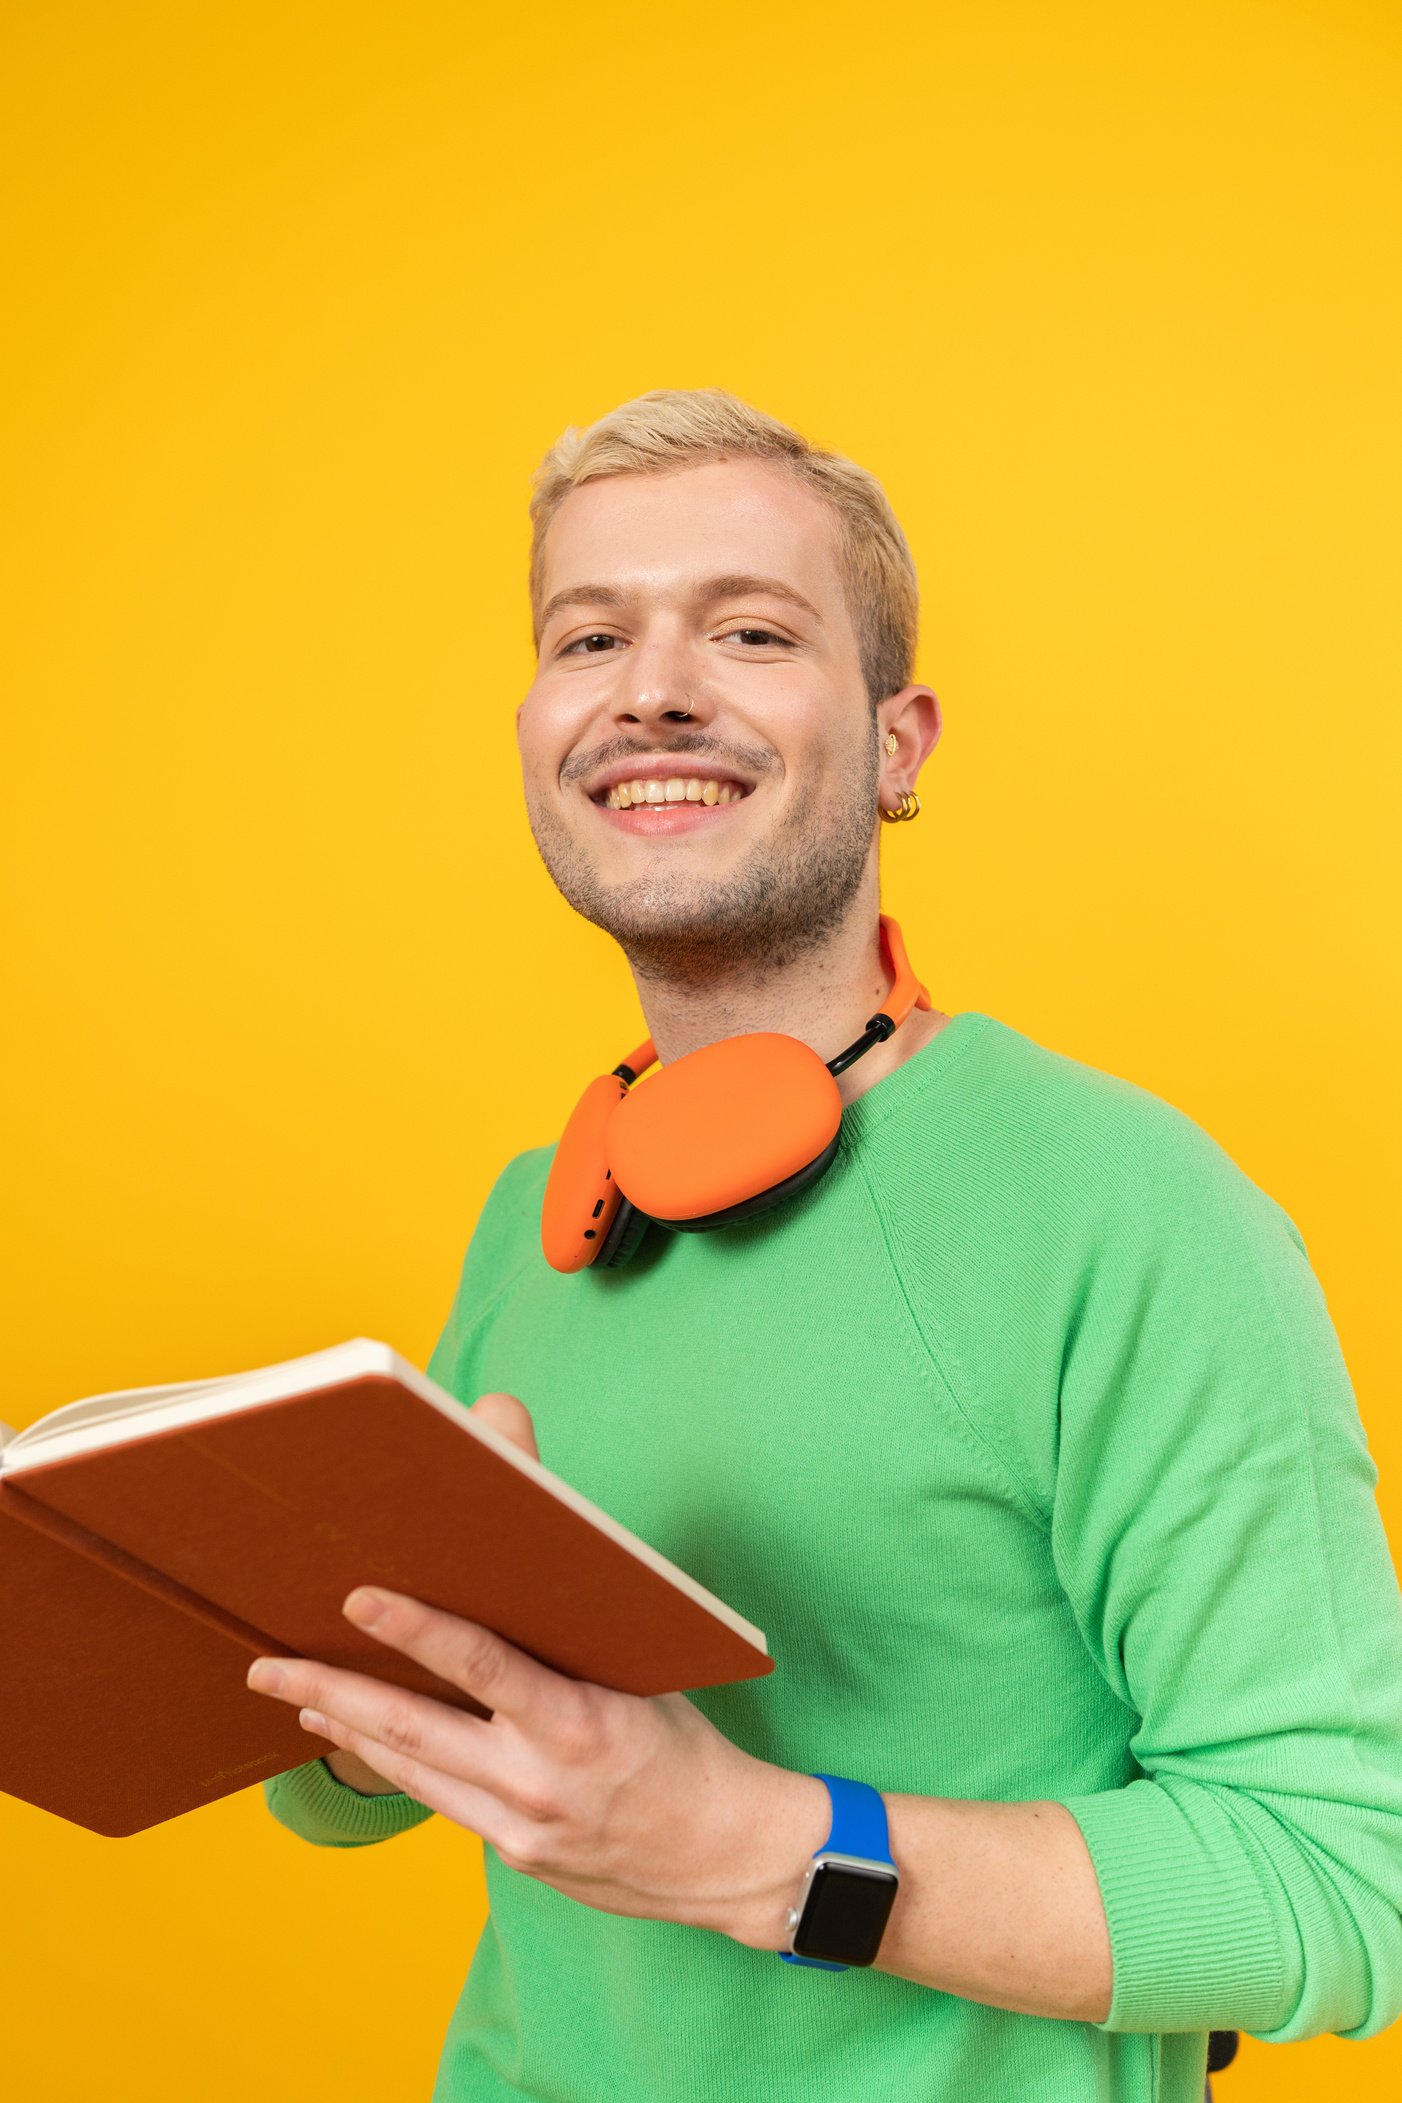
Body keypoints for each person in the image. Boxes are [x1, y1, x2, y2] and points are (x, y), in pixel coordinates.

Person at [250, 388, 1402, 2102]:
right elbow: (407, 1778)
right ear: (533, 725)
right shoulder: (535, 1211)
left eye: (749, 628)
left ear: (895, 742)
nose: (651, 686)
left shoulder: (1125, 1207)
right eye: (591, 635)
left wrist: (743, 1841)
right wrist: (310, 1648)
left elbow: (1337, 1886)